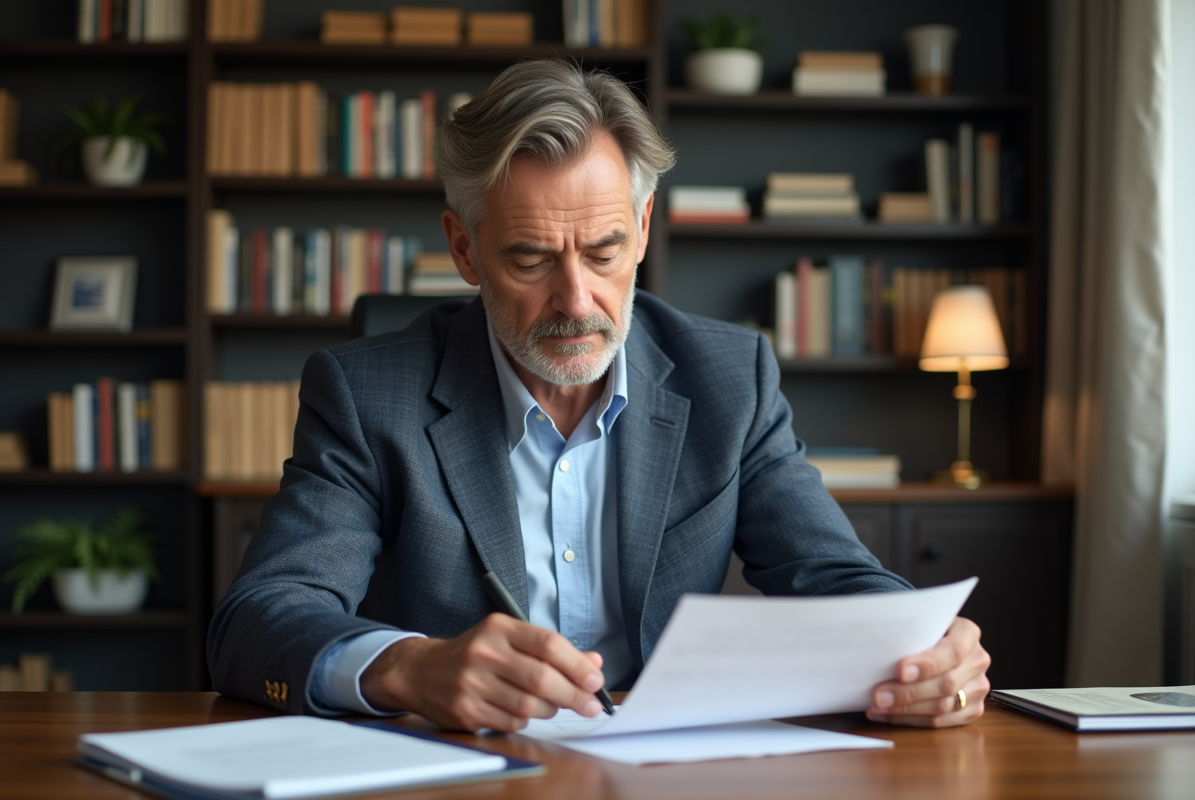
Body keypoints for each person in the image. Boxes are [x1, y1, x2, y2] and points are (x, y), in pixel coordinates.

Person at [208, 59, 990, 732]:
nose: (577, 300)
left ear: (644, 229)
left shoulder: (730, 379)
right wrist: (407, 668)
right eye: (531, 258)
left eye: (605, 251)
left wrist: (922, 647)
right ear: (463, 248)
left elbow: (835, 579)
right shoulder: (367, 395)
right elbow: (256, 620)